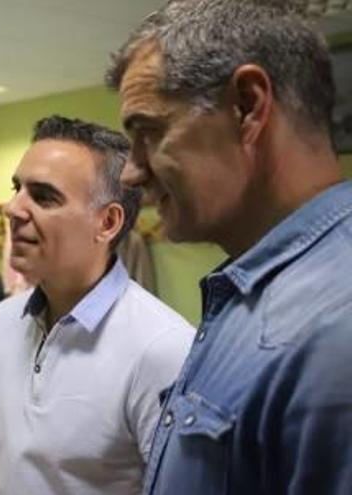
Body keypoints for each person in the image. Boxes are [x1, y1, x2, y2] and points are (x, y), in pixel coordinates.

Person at [106, 1, 352, 493]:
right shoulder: (253, 294)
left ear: (247, 107)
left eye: (148, 132)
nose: (130, 172)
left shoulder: (334, 329)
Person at [0, 116, 193, 495]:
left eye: (43, 196)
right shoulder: (3, 322)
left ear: (106, 222)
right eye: (17, 188)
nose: (12, 208)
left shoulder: (163, 349)